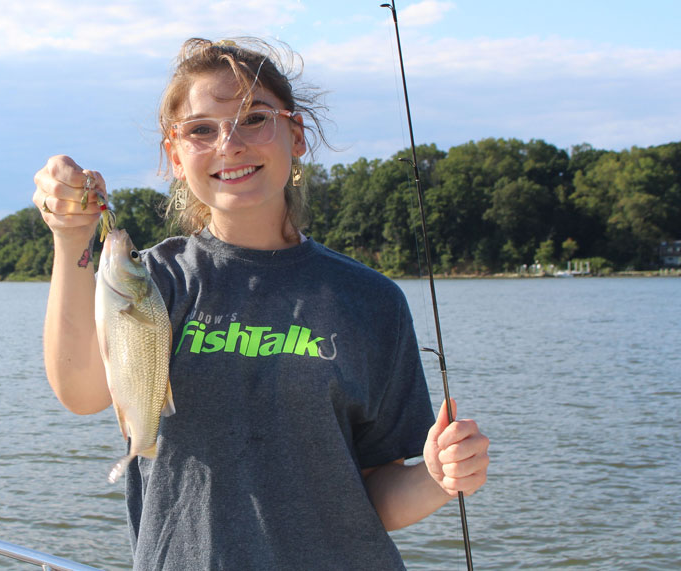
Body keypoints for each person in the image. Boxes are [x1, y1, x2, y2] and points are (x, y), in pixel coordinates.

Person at [33, 37, 489, 570]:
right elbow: (82, 391)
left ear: (296, 135)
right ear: (175, 155)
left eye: (254, 119)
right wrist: (70, 237)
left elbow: (375, 496)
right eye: (201, 129)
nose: (230, 144)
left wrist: (437, 478)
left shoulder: (371, 300)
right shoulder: (156, 281)